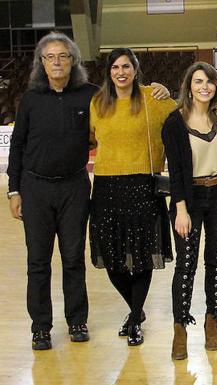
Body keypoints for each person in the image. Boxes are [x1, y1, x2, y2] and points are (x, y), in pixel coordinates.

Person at [7, 32, 94, 351]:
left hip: (74, 187)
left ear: (74, 61)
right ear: (41, 63)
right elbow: (16, 147)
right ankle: (41, 327)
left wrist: (158, 89)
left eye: (63, 56)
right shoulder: (29, 99)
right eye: (50, 57)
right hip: (36, 188)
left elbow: (125, 99)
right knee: (38, 262)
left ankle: (77, 321)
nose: (56, 62)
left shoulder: (90, 95)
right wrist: (14, 190)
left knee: (73, 258)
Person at [89, 48, 176, 346]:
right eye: (115, 67)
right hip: (105, 187)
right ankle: (134, 311)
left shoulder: (154, 99)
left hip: (142, 185)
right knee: (111, 259)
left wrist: (168, 91)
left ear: (136, 69)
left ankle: (135, 315)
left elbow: (185, 115)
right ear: (109, 72)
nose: (121, 72)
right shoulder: (97, 103)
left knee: (141, 258)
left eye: (126, 66)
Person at [162, 62, 217, 359]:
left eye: (209, 82)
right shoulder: (174, 122)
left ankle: (211, 321)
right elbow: (176, 171)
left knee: (216, 261)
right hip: (188, 200)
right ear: (189, 87)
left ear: (216, 86)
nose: (204, 86)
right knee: (186, 264)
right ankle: (180, 329)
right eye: (198, 81)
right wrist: (180, 209)